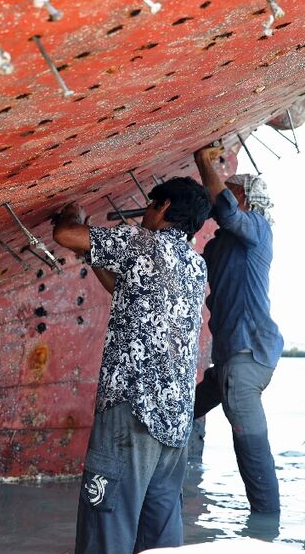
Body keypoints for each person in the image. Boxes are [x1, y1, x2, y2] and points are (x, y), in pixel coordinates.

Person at [52, 177, 212, 554]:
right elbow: (128, 288)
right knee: (159, 537)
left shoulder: (140, 242)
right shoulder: (195, 265)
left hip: (131, 410)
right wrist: (96, 257)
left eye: (151, 204)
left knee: (106, 526)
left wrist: (74, 213)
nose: (145, 214)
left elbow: (65, 235)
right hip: (175, 422)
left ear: (165, 207)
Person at [192, 145, 283, 513]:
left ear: (247, 200)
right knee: (181, 412)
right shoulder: (219, 246)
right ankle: (169, 484)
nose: (225, 193)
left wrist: (205, 163)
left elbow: (227, 210)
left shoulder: (257, 229)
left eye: (234, 190)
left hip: (245, 361)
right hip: (232, 362)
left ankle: (265, 531)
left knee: (252, 452)